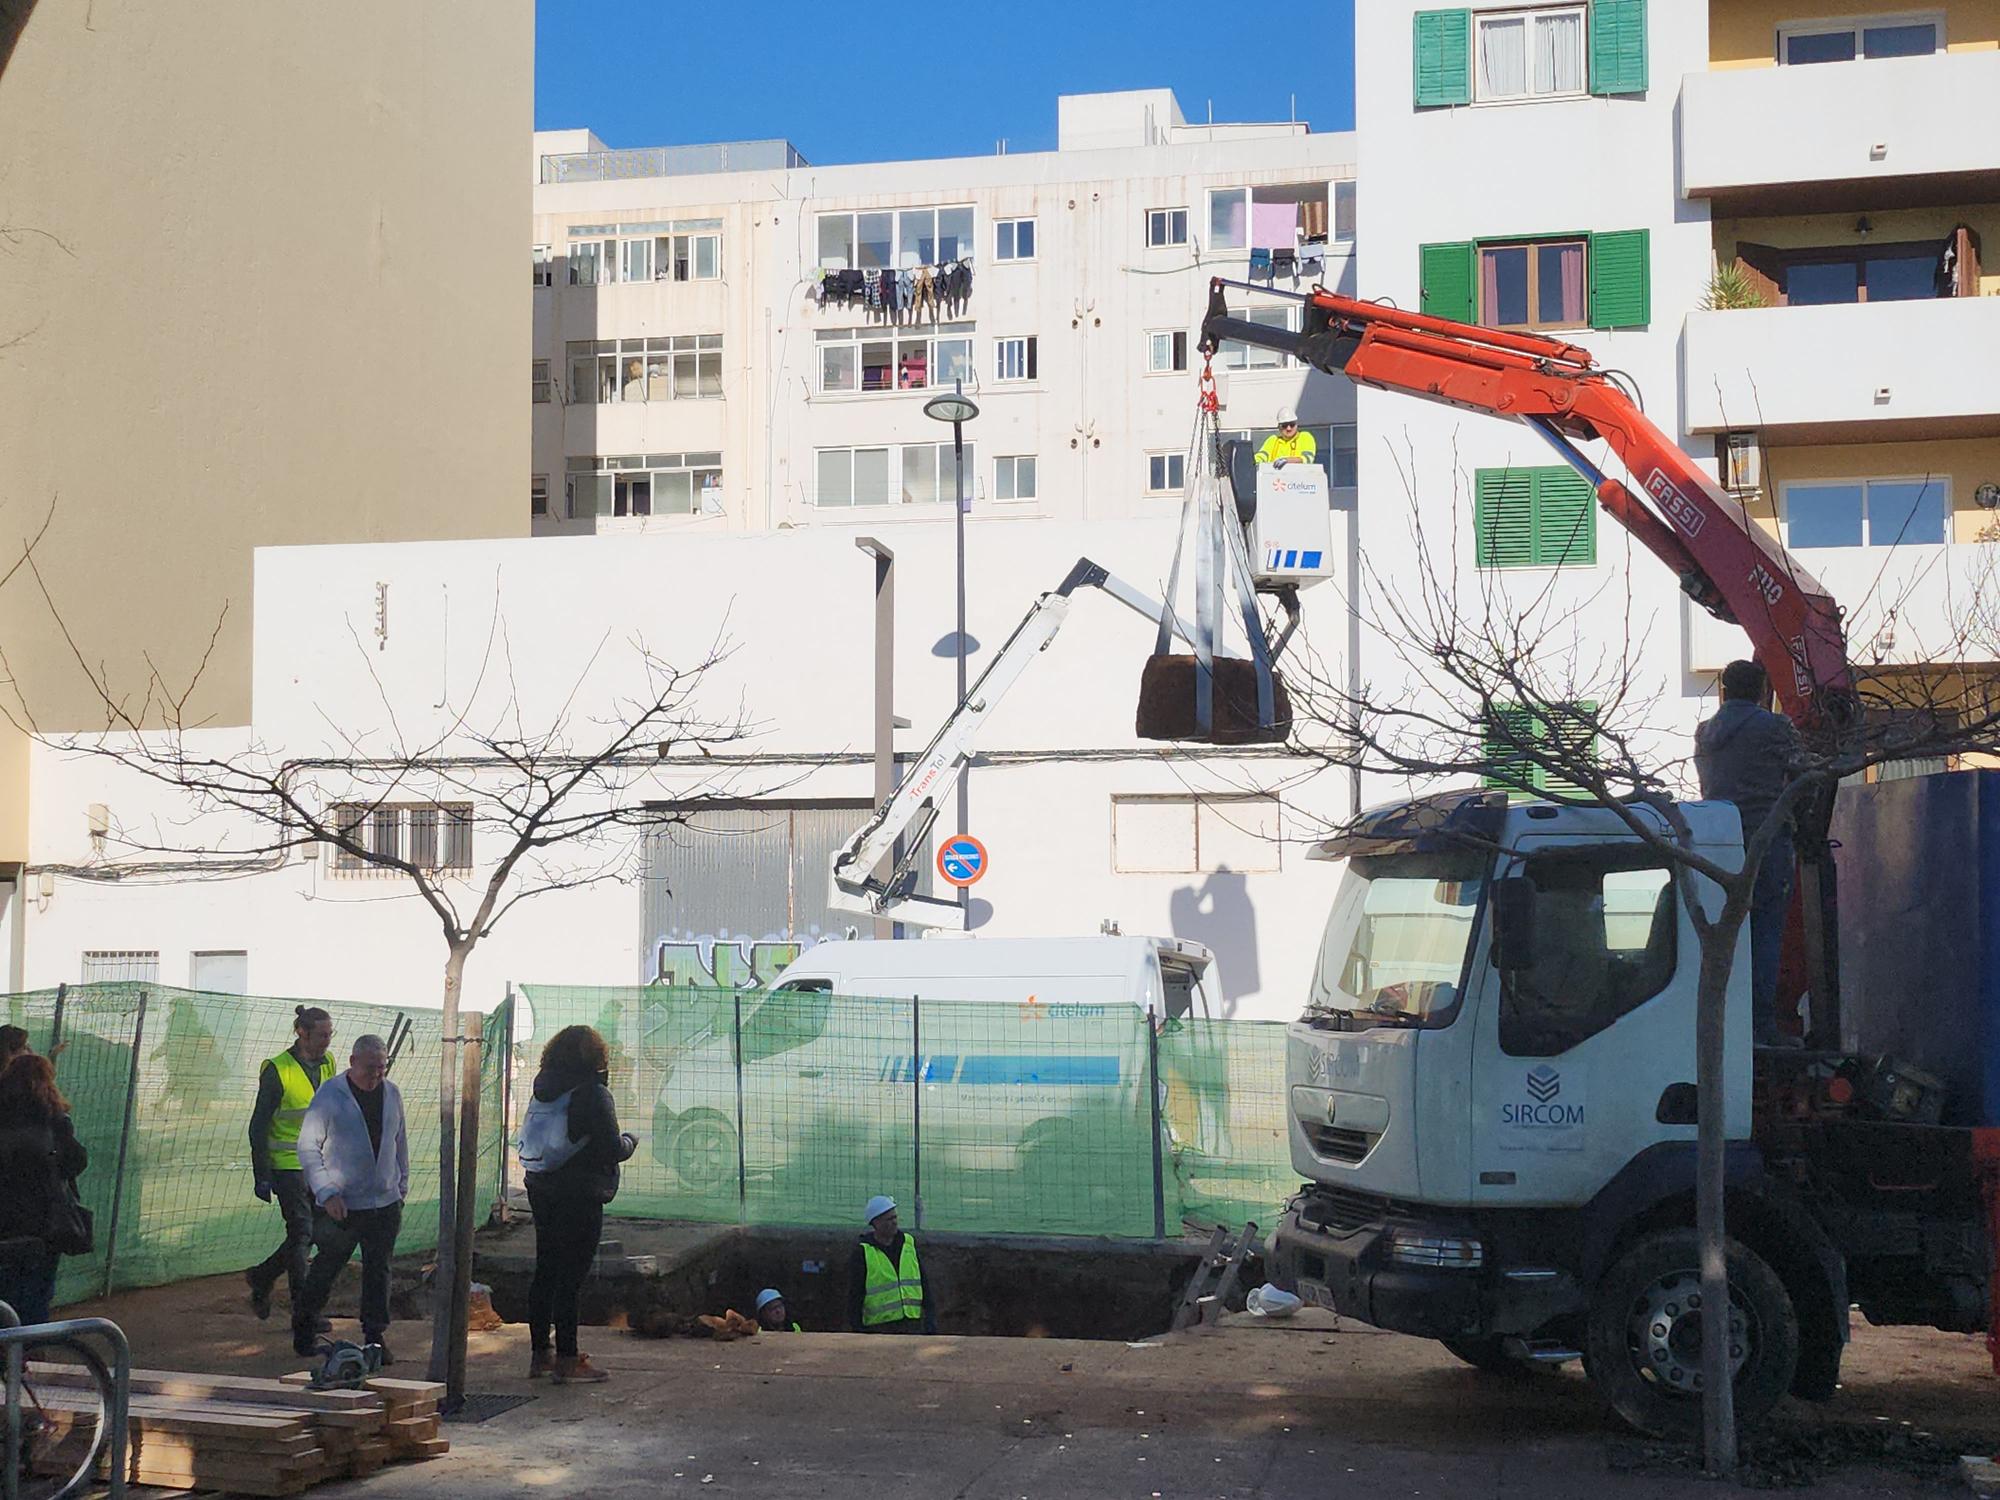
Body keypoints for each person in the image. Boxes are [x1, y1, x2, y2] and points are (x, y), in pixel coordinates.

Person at [1694, 659, 1804, 1046]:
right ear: (1761, 691)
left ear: (1724, 690)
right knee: (1766, 932)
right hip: (1766, 840)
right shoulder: (1775, 727)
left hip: (1717, 842)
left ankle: (1724, 1022)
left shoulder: (1705, 732)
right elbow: (1804, 772)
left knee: (1725, 938)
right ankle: (1761, 1025)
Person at [520, 1024, 636, 1384]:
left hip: (541, 1185)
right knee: (571, 1278)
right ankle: (568, 1358)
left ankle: (541, 1354)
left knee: (546, 1269)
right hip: (580, 1192)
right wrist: (631, 1141)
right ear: (596, 1058)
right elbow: (611, 1147)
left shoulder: (543, 1086)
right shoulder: (592, 1094)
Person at [291, 1035, 408, 1361]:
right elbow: (308, 1147)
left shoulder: (392, 1093)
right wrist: (327, 1192)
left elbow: (399, 1140)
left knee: (378, 1270)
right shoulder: (330, 1095)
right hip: (340, 1204)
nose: (376, 1075)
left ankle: (374, 1337)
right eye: (370, 1068)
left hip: (384, 1202)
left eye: (382, 1068)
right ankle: (303, 1325)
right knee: (328, 1266)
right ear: (353, 1062)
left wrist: (401, 1185)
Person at [246, 1006, 337, 1323]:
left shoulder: (328, 1064)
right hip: (287, 1164)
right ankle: (304, 1310)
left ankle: (262, 1275)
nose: (327, 1041)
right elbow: (258, 1125)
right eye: (322, 1034)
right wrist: (262, 1174)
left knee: (314, 1233)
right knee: (301, 1231)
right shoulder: (278, 1069)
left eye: (330, 1034)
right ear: (302, 1032)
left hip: (320, 1164)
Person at [0, 1054, 88, 1325]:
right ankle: (27, 1353)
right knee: (38, 1292)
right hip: (43, 1220)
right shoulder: (54, 1119)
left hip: (3, 1219)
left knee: (6, 1292)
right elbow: (76, 1161)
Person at [847, 1195, 934, 1334]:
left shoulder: (908, 1244)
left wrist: (930, 1319)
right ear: (876, 1222)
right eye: (889, 1219)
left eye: (895, 1217)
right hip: (879, 1328)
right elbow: (855, 1295)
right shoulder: (863, 1253)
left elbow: (924, 1284)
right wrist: (858, 1329)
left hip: (912, 1324)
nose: (894, 1222)